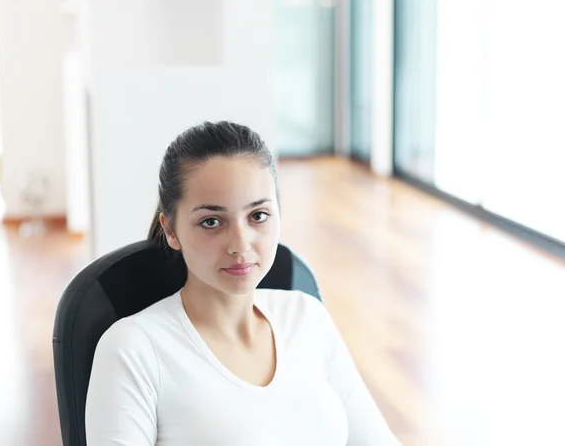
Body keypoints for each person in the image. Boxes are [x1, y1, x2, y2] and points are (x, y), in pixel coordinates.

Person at [85, 121, 401, 446]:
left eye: (258, 216)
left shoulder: (306, 315)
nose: (240, 244)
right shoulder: (134, 348)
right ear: (171, 230)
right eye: (211, 221)